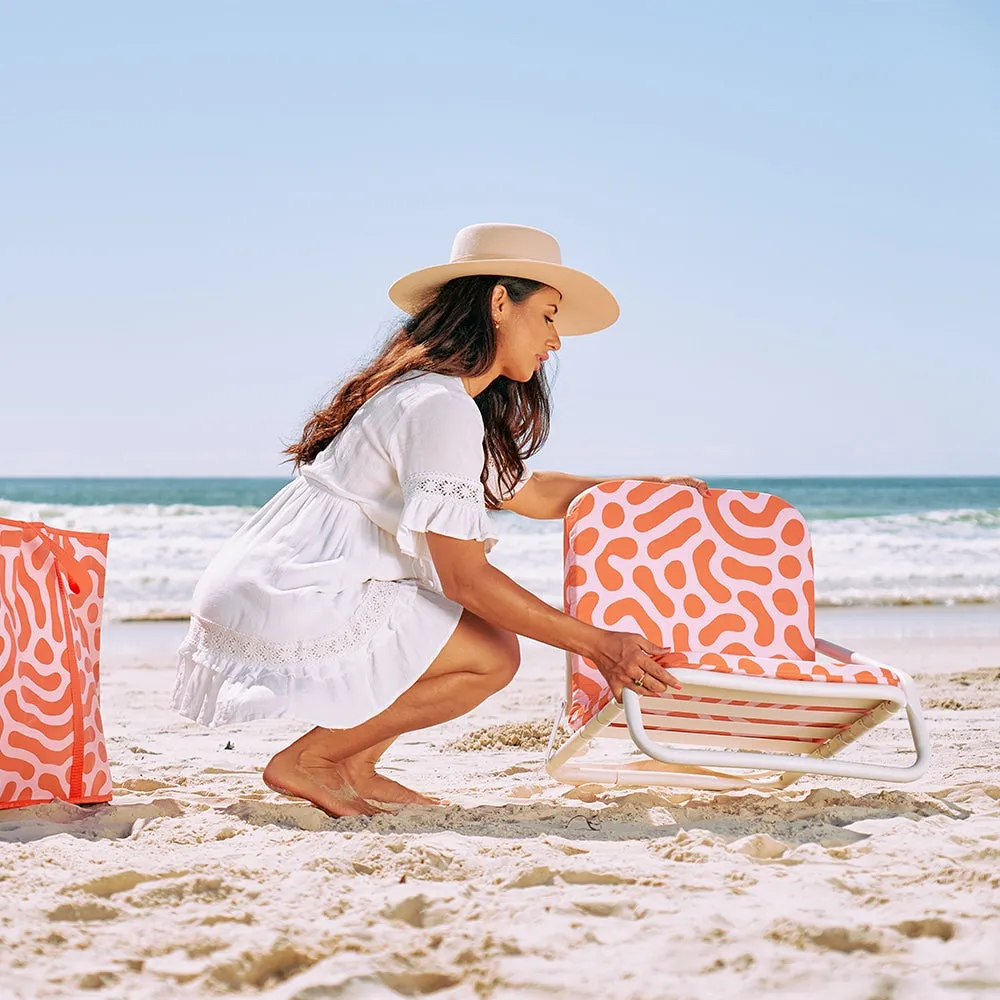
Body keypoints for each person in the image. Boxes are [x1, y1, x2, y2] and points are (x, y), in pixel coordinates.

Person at [171, 223, 710, 817]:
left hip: (279, 577)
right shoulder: (439, 406)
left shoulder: (439, 397)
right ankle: (314, 761)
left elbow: (527, 493)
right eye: (550, 315)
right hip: (298, 588)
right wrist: (599, 646)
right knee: (490, 656)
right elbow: (466, 580)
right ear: (500, 302)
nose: (556, 341)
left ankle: (352, 764)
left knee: (480, 644)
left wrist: (640, 490)